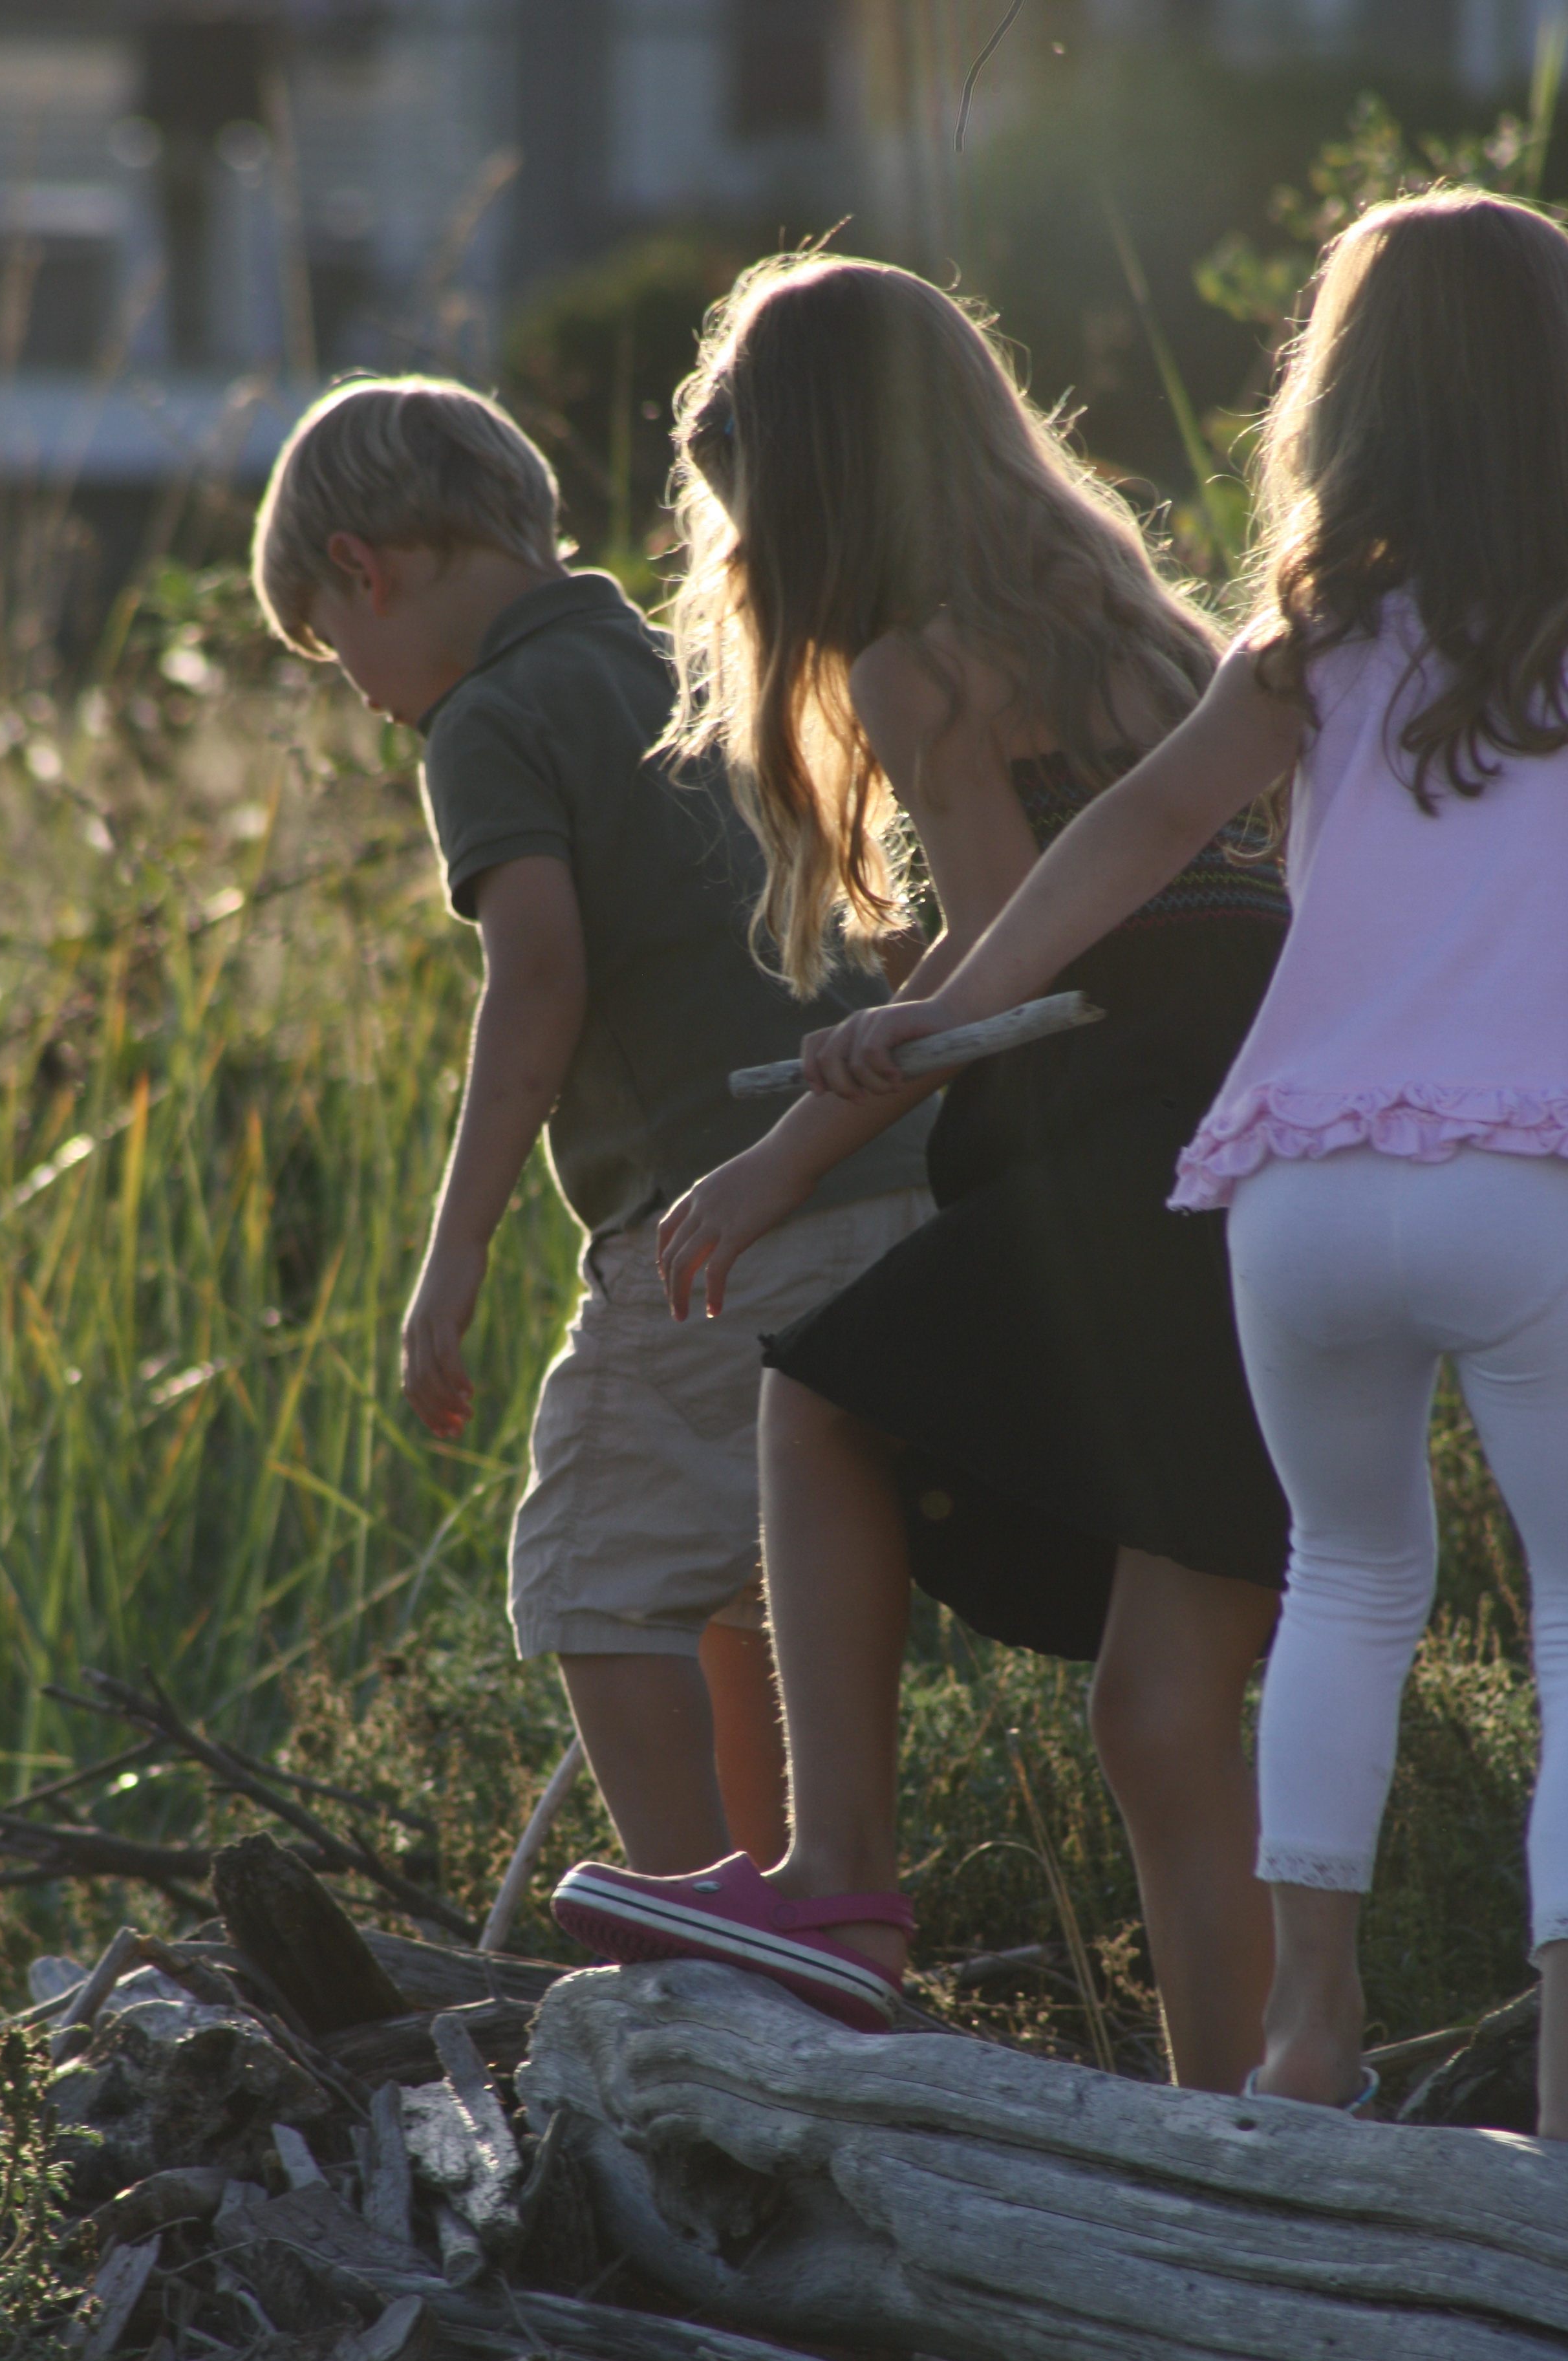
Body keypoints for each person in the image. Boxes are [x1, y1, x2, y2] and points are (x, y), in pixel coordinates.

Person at [693, 193, 1568, 2133]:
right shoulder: (1142, 616)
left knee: (859, 1417)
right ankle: (1365, 2114)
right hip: (1401, 1138)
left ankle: (935, 1918)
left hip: (1224, 1156)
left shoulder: (1165, 645)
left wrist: (867, 1073)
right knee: (1288, 1684)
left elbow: (1073, 894)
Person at [551, 256, 1292, 2088]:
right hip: (1271, 1147)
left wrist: (775, 1161)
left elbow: (999, 957)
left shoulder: (919, 662)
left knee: (819, 1399)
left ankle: (842, 1885)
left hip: (1133, 1151)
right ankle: (1249, 2132)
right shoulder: (1134, 620)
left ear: (814, 486)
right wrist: (929, 996)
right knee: (1164, 1719)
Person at [250, 374, 934, 1881]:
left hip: (724, 1217)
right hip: (894, 1176)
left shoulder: (489, 716)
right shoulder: (697, 654)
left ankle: (706, 1942)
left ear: (364, 568)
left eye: (331, 643)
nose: (358, 687)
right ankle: (799, 1914)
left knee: (596, 1577)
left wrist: (455, 1257)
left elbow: (538, 978)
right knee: (744, 1578)